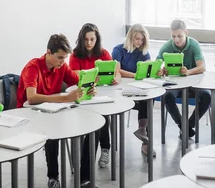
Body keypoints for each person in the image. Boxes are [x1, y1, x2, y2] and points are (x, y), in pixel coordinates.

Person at [17, 34, 97, 188]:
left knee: (90, 126)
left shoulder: (61, 66)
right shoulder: (32, 67)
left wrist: (90, 88)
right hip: (29, 114)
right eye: (60, 57)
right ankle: (53, 177)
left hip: (53, 111)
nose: (63, 62)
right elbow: (32, 98)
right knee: (52, 133)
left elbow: (78, 82)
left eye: (65, 58)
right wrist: (66, 98)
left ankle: (84, 176)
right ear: (48, 52)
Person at [69, 23, 121, 168]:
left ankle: (105, 149)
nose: (89, 43)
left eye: (92, 39)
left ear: (97, 39)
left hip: (103, 94)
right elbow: (76, 76)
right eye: (86, 40)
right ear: (81, 39)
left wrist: (116, 78)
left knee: (103, 114)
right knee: (98, 116)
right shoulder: (75, 55)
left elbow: (115, 70)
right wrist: (93, 77)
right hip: (83, 95)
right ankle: (87, 158)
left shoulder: (103, 53)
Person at [158, 20, 210, 138]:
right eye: (173, 36)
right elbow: (157, 64)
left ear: (186, 33)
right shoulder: (167, 46)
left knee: (207, 96)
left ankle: (188, 126)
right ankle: (183, 126)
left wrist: (189, 72)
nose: (176, 40)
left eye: (179, 36)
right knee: (167, 96)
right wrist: (161, 71)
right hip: (175, 83)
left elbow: (202, 67)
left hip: (194, 82)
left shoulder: (194, 44)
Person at [112, 23, 154, 156]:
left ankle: (143, 135)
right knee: (145, 100)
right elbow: (116, 70)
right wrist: (134, 75)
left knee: (148, 100)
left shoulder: (143, 52)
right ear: (130, 37)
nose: (139, 42)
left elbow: (148, 70)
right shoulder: (118, 50)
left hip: (137, 89)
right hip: (120, 91)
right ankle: (142, 134)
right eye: (137, 39)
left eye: (142, 40)